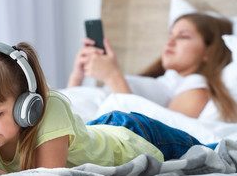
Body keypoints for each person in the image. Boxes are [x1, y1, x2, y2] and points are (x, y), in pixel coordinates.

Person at [0, 41, 217, 176]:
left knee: (213, 154)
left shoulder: (51, 110)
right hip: (95, 132)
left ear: (28, 107)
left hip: (134, 135)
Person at [68, 13, 237, 122]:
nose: (170, 41)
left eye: (183, 36)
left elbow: (159, 136)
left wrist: (113, 76)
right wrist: (77, 75)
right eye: (170, 35)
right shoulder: (164, 82)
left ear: (209, 51)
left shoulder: (196, 88)